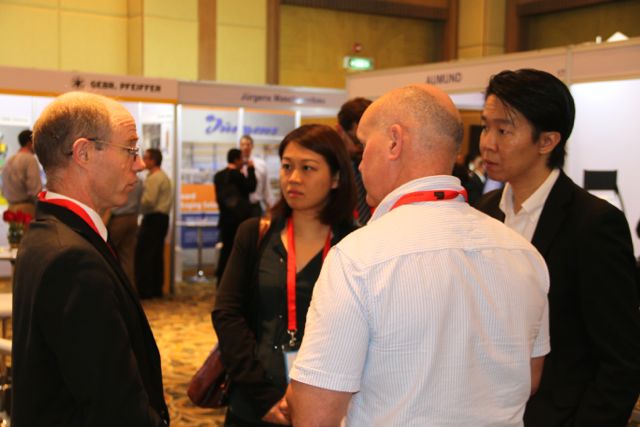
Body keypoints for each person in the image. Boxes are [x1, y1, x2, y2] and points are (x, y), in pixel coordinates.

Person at [285, 84, 550, 426]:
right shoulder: (524, 254)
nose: (360, 165)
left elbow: (316, 414)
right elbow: (531, 377)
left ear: (394, 142)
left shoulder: (358, 258)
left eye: (364, 147)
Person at [476, 69, 640, 426]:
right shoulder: (483, 212)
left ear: (547, 141)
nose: (487, 143)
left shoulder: (593, 224)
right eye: (486, 127)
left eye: (503, 131)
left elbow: (621, 360)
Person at [11, 91, 169, 425]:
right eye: (130, 149)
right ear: (83, 152)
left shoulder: (51, 231)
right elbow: (115, 406)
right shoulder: (71, 257)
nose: (140, 164)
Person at [213, 124, 357, 426]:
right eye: (287, 166)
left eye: (308, 168)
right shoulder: (255, 234)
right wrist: (261, 397)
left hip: (325, 402)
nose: (293, 178)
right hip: (253, 400)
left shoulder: (355, 245)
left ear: (336, 178)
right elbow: (227, 313)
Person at [214, 148, 257, 282]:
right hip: (239, 221)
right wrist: (251, 169)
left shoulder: (218, 176)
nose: (243, 161)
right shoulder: (238, 176)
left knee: (225, 251)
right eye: (241, 158)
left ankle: (221, 280)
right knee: (238, 252)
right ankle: (234, 281)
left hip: (225, 220)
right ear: (236, 160)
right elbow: (251, 186)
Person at [135, 148, 173, 299]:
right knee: (156, 254)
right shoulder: (163, 176)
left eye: (146, 158)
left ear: (153, 161)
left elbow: (149, 201)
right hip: (162, 219)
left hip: (153, 219)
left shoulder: (154, 178)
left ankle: (146, 290)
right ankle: (156, 289)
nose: (143, 161)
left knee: (145, 255)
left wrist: (136, 207)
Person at [336, 97, 372, 224]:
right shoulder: (331, 168)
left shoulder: (380, 166)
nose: (362, 149)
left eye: (367, 142)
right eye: (357, 142)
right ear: (340, 131)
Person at [106, 176, 143, 287]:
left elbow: (111, 203)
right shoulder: (139, 180)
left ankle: (112, 288)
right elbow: (141, 201)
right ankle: (129, 289)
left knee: (108, 254)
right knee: (127, 257)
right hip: (132, 218)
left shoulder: (117, 177)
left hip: (118, 219)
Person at [1, 129, 42, 216]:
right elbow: (35, 189)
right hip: (26, 209)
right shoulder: (30, 159)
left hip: (10, 208)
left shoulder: (10, 160)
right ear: (29, 143)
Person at [240, 134, 275, 217]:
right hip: (239, 207)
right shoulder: (236, 166)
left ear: (252, 146)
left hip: (255, 207)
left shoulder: (261, 164)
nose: (245, 147)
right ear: (240, 146)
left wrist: (270, 205)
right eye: (243, 144)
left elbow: (266, 187)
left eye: (248, 144)